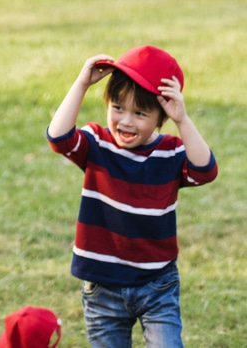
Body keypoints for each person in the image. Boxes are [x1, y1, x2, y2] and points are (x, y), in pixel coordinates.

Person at [46, 45, 216, 347]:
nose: (125, 121)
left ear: (161, 116)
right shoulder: (97, 142)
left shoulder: (171, 152)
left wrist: (183, 120)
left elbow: (205, 171)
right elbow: (58, 137)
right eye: (118, 107)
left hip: (157, 285)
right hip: (103, 287)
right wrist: (82, 82)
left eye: (140, 113)